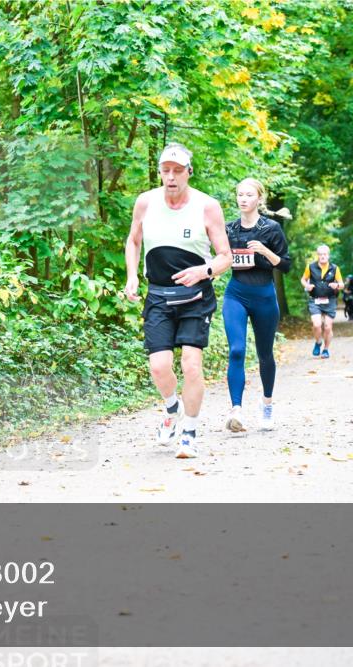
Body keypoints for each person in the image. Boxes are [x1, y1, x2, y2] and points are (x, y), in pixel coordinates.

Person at [124, 143, 231, 458]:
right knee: (159, 367)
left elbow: (225, 256)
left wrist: (203, 270)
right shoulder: (145, 202)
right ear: (160, 172)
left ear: (189, 172)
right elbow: (133, 241)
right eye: (165, 170)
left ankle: (189, 433)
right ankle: (173, 409)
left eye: (177, 171)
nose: (171, 177)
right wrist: (132, 275)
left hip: (195, 297)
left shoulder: (207, 206)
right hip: (158, 295)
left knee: (191, 365)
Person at [222, 178, 291, 433]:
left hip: (264, 296)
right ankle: (236, 410)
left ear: (259, 198)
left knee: (265, 354)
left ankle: (267, 404)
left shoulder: (271, 228)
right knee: (236, 350)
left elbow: (286, 265)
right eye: (240, 194)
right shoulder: (229, 229)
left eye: (249, 195)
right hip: (236, 295)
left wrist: (264, 251)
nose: (243, 199)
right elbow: (219, 257)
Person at [300, 245, 343, 359]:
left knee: (328, 327)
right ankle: (318, 342)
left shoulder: (334, 268)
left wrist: (337, 285)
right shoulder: (310, 267)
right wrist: (307, 285)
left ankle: (326, 349)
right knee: (317, 324)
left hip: (330, 300)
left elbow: (342, 284)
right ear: (317, 255)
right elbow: (303, 279)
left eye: (324, 254)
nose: (322, 256)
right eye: (320, 254)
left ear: (328, 255)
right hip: (315, 300)